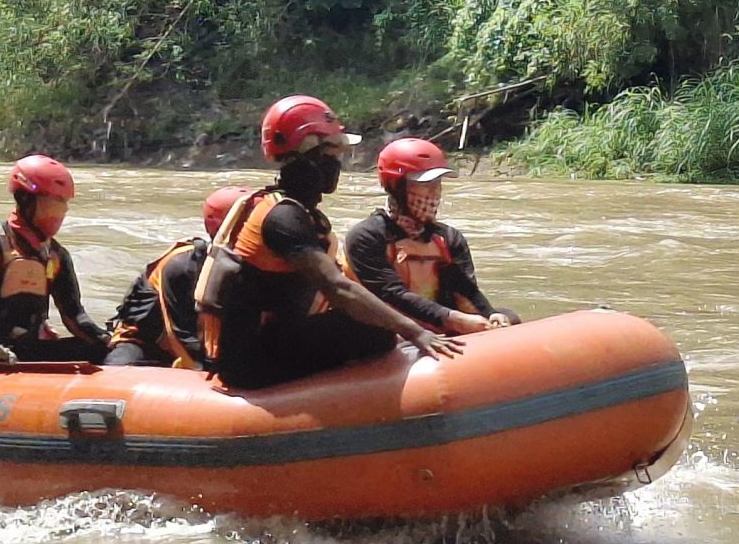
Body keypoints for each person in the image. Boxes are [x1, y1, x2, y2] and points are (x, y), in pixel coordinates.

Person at [196, 95, 462, 390]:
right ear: (308, 153)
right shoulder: (282, 217)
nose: (337, 164)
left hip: (266, 342)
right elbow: (337, 288)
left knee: (367, 325)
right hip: (248, 363)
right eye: (332, 153)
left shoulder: (292, 210)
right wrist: (415, 331)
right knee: (370, 332)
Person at [0, 154, 107, 362]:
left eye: (62, 205)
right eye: (52, 204)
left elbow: (75, 317)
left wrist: (104, 338)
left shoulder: (56, 256)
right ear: (25, 200)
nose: (59, 214)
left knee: (94, 349)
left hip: (24, 348)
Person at [345, 137, 517, 336]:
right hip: (391, 330)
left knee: (508, 316)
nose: (435, 192)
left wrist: (489, 314)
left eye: (438, 184)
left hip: (440, 322)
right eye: (425, 184)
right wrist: (453, 319)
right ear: (398, 187)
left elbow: (465, 289)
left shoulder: (449, 238)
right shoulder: (367, 237)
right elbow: (392, 294)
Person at [106, 184, 241, 370]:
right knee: (119, 371)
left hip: (197, 340)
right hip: (146, 342)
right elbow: (179, 335)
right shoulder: (181, 265)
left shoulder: (256, 263)